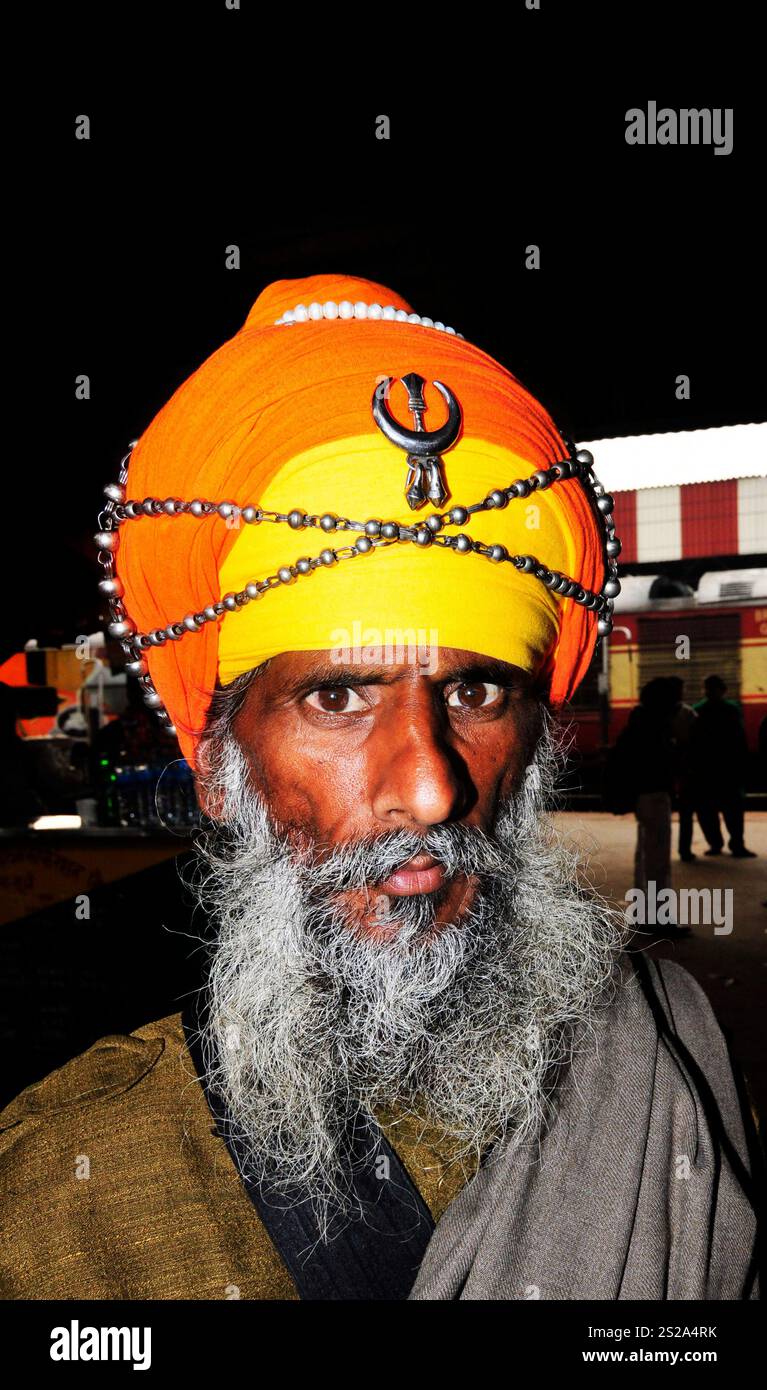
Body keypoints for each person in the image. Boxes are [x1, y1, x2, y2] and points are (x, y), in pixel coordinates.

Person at [0, 275, 759, 1301]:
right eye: (337, 697)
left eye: (475, 691)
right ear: (220, 764)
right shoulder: (63, 1200)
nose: (430, 790)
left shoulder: (666, 1056)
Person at [693, 675, 757, 858]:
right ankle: (737, 844)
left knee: (708, 809)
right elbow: (740, 739)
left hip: (706, 768)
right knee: (733, 809)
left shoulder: (698, 710)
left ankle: (715, 844)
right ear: (724, 690)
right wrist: (743, 764)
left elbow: (695, 742)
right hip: (729, 767)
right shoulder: (732, 709)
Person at [667, 675, 698, 862]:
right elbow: (697, 741)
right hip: (684, 767)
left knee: (665, 813)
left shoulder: (656, 714)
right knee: (686, 812)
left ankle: (671, 850)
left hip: (667, 769)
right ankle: (684, 850)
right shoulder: (689, 713)